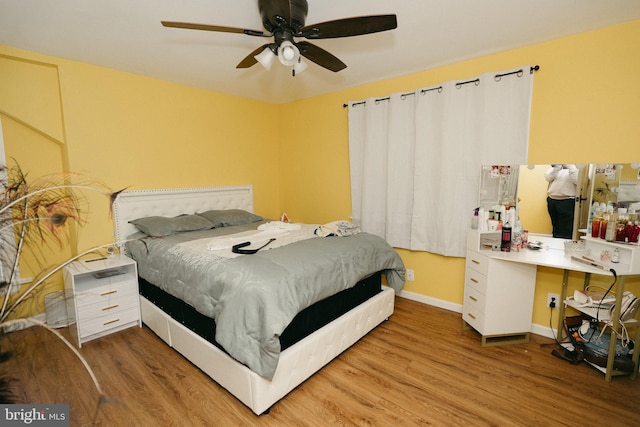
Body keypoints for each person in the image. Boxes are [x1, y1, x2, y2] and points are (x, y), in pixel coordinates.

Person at [545, 164, 578, 239]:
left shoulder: (575, 168)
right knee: (555, 227)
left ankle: (563, 247)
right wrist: (556, 168)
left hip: (567, 201)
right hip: (552, 200)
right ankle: (555, 245)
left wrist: (570, 166)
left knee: (566, 229)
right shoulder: (557, 167)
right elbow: (547, 177)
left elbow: (578, 181)